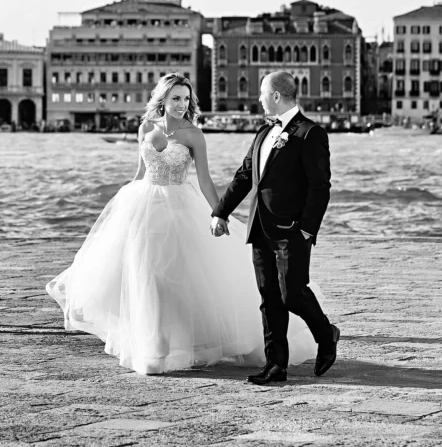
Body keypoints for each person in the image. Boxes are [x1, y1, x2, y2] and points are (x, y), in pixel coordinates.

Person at [46, 73, 321, 376]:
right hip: (144, 206)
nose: (182, 104)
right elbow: (140, 173)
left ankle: (178, 346)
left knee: (173, 278)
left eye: (186, 99)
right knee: (145, 277)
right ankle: (152, 348)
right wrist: (121, 207)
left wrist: (220, 212)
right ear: (162, 99)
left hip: (180, 208)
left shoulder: (193, 134)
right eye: (176, 98)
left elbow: (204, 179)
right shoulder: (145, 128)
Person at [211, 71, 339, 385]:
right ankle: (276, 365)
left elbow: (320, 187)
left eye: (262, 94)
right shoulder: (262, 133)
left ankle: (326, 335)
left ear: (276, 96)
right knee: (269, 297)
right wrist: (221, 212)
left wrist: (308, 230)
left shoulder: (310, 134)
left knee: (291, 294)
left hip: (292, 231)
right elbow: (244, 176)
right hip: (260, 229)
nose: (259, 99)